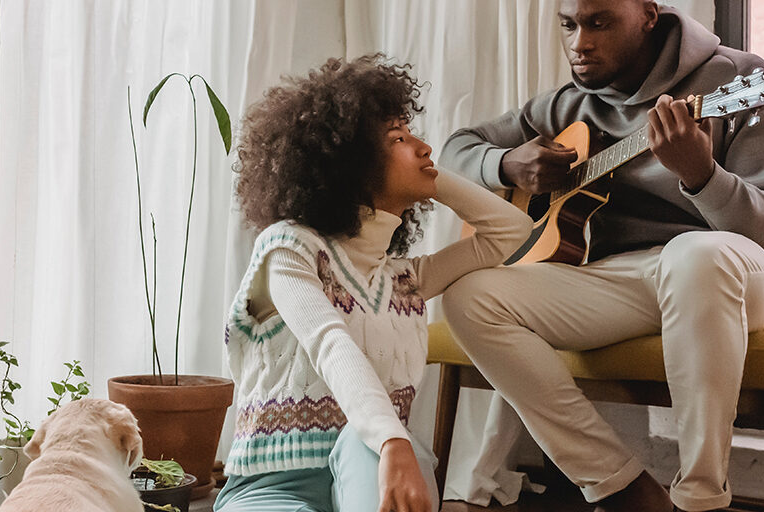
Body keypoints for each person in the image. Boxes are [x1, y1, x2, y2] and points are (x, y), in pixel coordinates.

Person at [438, 1, 764, 511]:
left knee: (694, 257)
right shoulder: (565, 106)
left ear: (648, 16)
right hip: (625, 283)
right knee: (468, 294)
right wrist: (506, 164)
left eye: (599, 23)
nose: (579, 43)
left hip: (737, 279)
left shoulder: (740, 80)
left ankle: (700, 498)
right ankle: (619, 484)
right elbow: (455, 150)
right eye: (569, 25)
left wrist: (704, 177)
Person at [216, 54, 532, 512]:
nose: (425, 148)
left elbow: (512, 232)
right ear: (352, 163)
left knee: (370, 443)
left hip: (376, 474)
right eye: (399, 138)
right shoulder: (288, 247)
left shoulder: (403, 279)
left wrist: (428, 178)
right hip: (274, 489)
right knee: (385, 439)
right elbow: (329, 343)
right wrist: (391, 440)